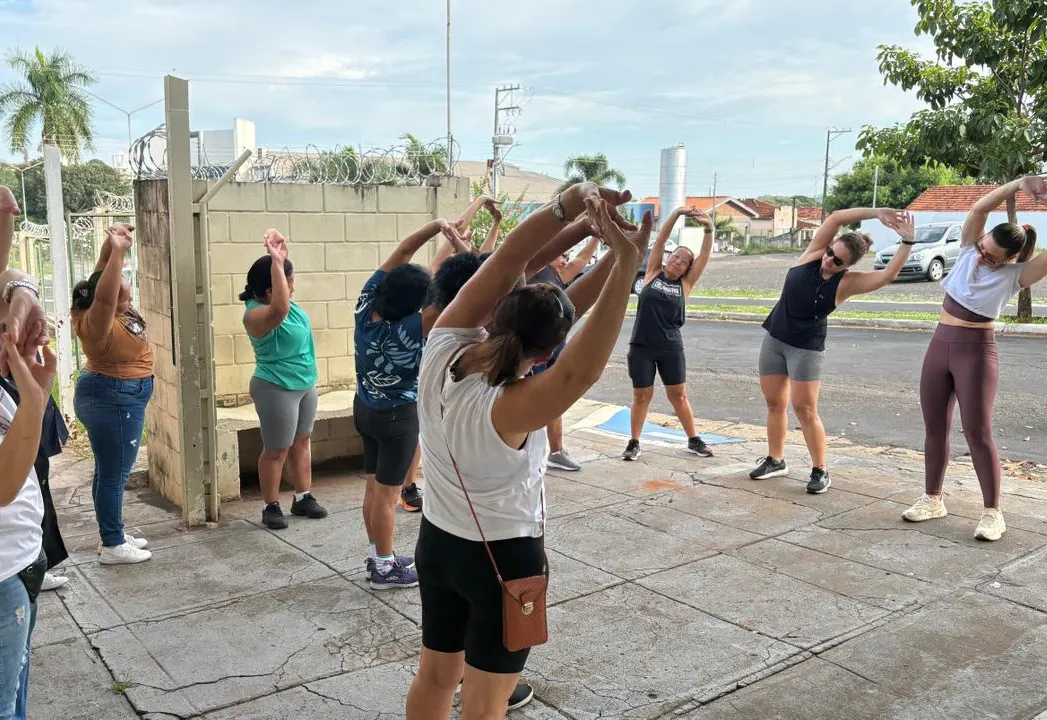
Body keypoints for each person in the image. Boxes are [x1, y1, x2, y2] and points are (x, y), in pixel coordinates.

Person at [405, 181, 648, 719]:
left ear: (498, 311)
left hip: (438, 544)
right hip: (502, 561)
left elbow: (515, 258)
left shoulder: (443, 344)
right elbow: (579, 369)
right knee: (485, 703)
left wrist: (575, 206)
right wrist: (627, 261)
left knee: (436, 677)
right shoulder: (510, 407)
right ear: (546, 352)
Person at [902, 176, 1047, 541]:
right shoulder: (969, 249)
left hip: (976, 353)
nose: (982, 257)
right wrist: (1019, 184)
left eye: (992, 257)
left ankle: (993, 513)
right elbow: (980, 208)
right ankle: (932, 499)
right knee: (934, 428)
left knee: (978, 433)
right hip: (939, 345)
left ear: (1009, 259)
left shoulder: (1016, 275)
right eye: (983, 248)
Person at [750, 208, 914, 494]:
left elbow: (889, 274)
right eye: (830, 253)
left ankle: (820, 469)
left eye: (837, 261)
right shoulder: (813, 255)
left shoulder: (847, 283)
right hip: (775, 339)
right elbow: (837, 217)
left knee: (805, 409)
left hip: (806, 349)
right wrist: (878, 213)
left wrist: (908, 242)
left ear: (847, 265)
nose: (828, 260)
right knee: (774, 403)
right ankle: (775, 460)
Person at [354, 218, 465, 590]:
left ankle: (378, 555)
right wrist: (460, 247)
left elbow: (403, 251)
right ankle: (385, 569)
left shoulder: (365, 305)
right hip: (398, 418)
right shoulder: (415, 328)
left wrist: (437, 227)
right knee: (387, 496)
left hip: (365, 408)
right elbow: (465, 290)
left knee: (373, 489)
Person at [0, 185, 57, 719]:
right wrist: (34, 404)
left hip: (19, 562)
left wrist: (21, 286)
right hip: (3, 580)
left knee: (16, 696)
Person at [71, 225, 154, 564]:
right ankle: (112, 544)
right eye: (125, 298)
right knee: (114, 473)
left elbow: (103, 277)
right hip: (114, 397)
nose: (129, 302)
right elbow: (105, 296)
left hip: (115, 395)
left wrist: (112, 245)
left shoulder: (95, 304)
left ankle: (112, 530)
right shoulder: (97, 322)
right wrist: (119, 251)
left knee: (108, 469)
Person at [240, 229, 328, 530]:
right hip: (276, 387)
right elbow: (279, 308)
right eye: (288, 284)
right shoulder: (257, 314)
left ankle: (303, 497)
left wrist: (280, 260)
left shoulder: (289, 306)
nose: (292, 288)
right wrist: (277, 263)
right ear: (269, 291)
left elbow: (284, 303)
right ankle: (271, 505)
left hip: (304, 384)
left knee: (302, 441)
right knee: (277, 449)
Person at [621, 206, 715, 462]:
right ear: (668, 257)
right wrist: (677, 214)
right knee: (641, 396)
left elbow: (705, 255)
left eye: (683, 261)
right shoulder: (653, 273)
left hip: (670, 348)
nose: (677, 261)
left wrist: (708, 227)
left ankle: (694, 439)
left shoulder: (685, 284)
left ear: (687, 269)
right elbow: (661, 239)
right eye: (675, 256)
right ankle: (634, 442)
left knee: (679, 396)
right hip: (642, 346)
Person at [526, 237, 600, 472]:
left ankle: (556, 452)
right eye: (562, 255)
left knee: (554, 399)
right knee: (532, 400)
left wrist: (596, 236)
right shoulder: (536, 269)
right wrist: (576, 224)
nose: (565, 260)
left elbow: (583, 259)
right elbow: (550, 245)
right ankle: (524, 451)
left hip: (555, 346)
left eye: (567, 256)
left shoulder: (559, 276)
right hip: (533, 347)